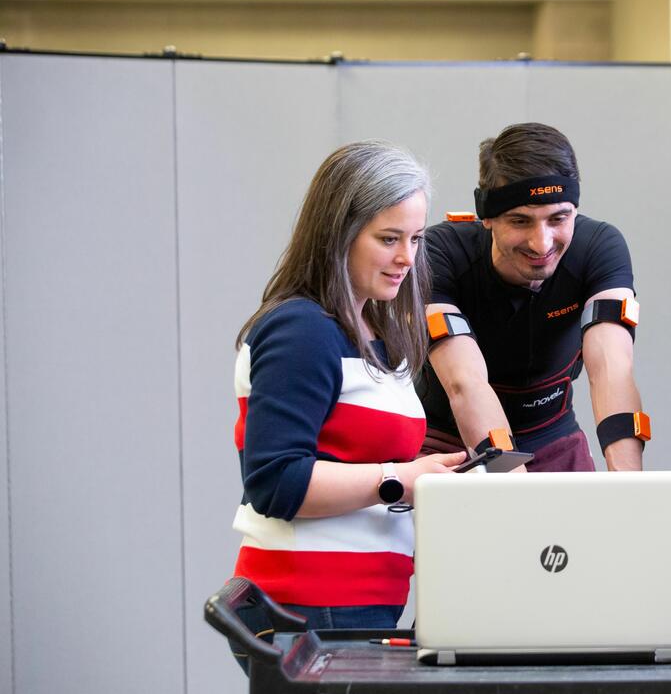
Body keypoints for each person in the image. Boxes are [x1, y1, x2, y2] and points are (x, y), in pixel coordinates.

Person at [227, 140, 465, 671]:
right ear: (338, 235)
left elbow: (356, 456)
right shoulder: (302, 330)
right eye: (388, 239)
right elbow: (275, 482)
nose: (407, 257)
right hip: (311, 606)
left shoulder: (373, 332)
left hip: (353, 603)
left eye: (416, 239)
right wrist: (404, 479)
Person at [417, 122, 648, 471]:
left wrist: (632, 490)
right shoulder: (441, 252)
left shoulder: (598, 246)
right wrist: (518, 489)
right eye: (520, 221)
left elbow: (611, 369)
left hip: (553, 436)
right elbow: (465, 382)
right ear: (487, 218)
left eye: (559, 218)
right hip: (447, 443)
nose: (541, 243)